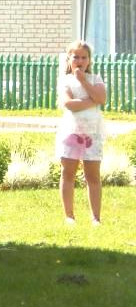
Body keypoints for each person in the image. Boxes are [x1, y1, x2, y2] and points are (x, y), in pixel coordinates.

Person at [56, 39, 107, 226]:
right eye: (75, 56)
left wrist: (83, 81)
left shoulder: (95, 79)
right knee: (68, 173)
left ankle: (96, 217)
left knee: (92, 175)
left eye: (83, 57)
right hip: (71, 132)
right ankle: (69, 216)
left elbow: (102, 97)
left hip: (93, 133)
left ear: (89, 60)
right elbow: (70, 104)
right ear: (69, 59)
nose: (79, 60)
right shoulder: (65, 80)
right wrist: (91, 100)